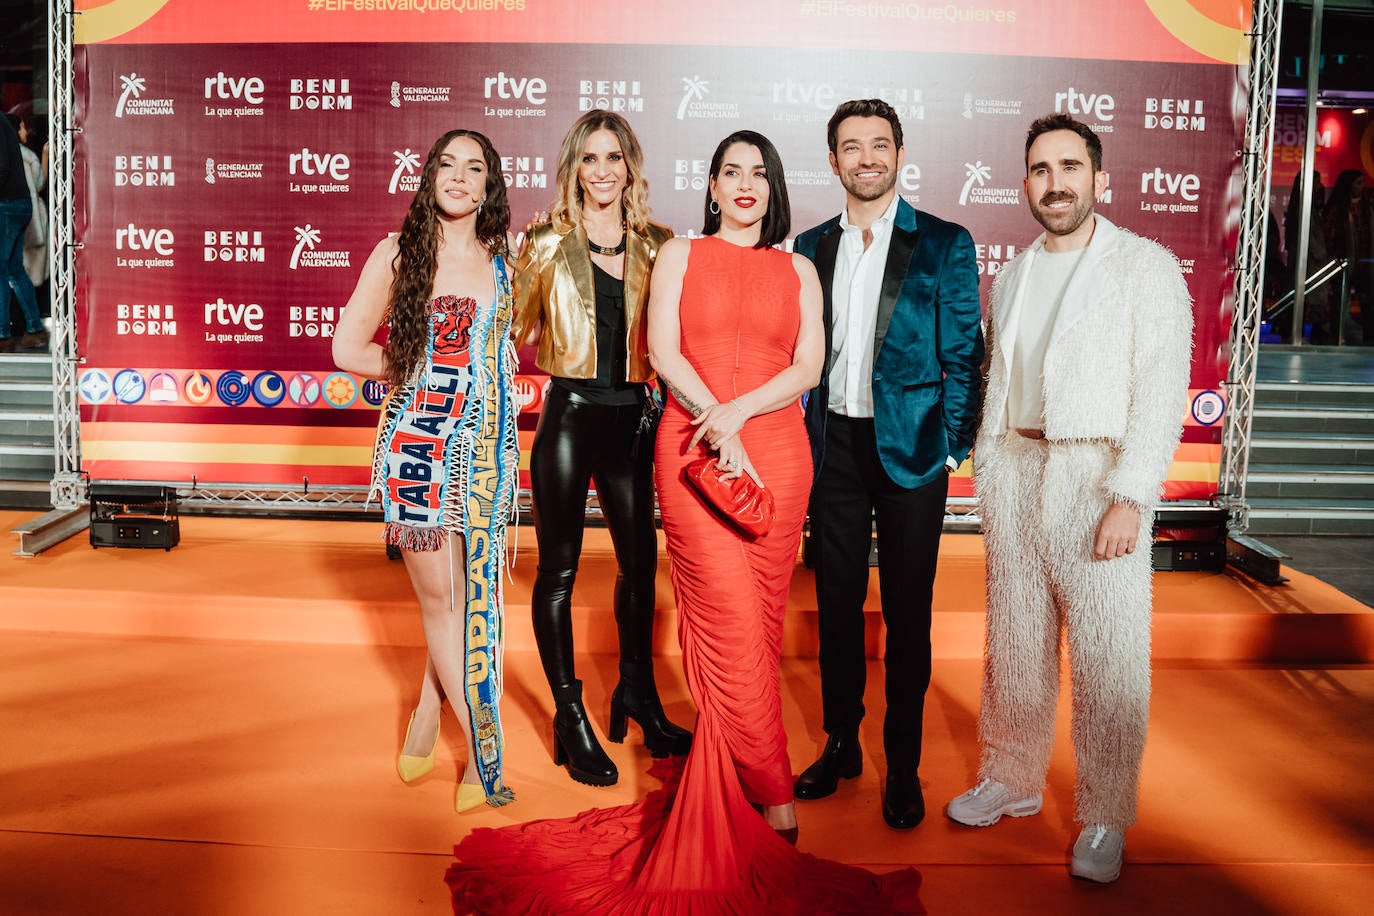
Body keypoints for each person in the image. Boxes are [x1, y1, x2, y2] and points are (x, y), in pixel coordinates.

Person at [446, 130, 920, 914]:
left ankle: (737, 766)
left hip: (774, 456)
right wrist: (715, 417)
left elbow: (808, 366)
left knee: (759, 629)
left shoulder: (800, 266)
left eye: (758, 174)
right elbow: (661, 349)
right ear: (709, 184)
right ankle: (775, 797)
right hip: (695, 455)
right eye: (731, 172)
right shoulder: (676, 255)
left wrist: (739, 414)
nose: (745, 185)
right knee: (727, 623)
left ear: (773, 189)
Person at [945, 114, 1192, 885]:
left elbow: (1158, 392)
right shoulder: (1013, 272)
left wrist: (1131, 495)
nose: (1055, 183)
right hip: (1016, 469)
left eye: (1070, 167)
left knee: (1108, 656)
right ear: (1026, 184)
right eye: (1041, 170)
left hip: (1096, 476)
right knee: (1014, 646)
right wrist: (990, 465)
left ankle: (1105, 813)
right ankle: (1011, 779)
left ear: (1099, 179)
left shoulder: (1143, 266)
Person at [791, 98, 984, 830]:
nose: (865, 157)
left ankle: (901, 764)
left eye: (879, 144)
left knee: (908, 614)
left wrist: (952, 444)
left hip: (913, 450)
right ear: (833, 159)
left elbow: (964, 352)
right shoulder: (809, 246)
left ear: (899, 153)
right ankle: (841, 742)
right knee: (835, 607)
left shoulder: (943, 242)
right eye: (851, 146)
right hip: (832, 449)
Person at [332, 129, 519, 813]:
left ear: (490, 186)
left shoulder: (506, 260)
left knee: (471, 604)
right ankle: (481, 752)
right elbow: (347, 347)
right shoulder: (399, 253)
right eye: (449, 165)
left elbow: (503, 357)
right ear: (429, 175)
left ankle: (424, 711)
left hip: (488, 453)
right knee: (441, 602)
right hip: (417, 452)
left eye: (476, 169)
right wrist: (415, 371)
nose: (461, 178)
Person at [512, 110, 690, 787]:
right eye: (590, 159)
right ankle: (567, 711)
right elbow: (510, 326)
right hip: (569, 418)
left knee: (640, 567)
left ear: (630, 167)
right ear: (573, 170)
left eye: (614, 157)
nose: (603, 170)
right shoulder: (545, 242)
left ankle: (637, 694)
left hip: (634, 423)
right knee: (557, 572)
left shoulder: (660, 244)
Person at [0, 112, 43, 353]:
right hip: (17, 204)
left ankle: (3, 334)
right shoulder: (5, 123)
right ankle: (35, 330)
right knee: (14, 270)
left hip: (5, 205)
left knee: (2, 270)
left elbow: (2, 165)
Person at [1321, 169, 1371, 344]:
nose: (1362, 186)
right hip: (1341, 262)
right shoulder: (1337, 209)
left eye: (1362, 182)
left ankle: (1368, 337)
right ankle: (1337, 335)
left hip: (1365, 262)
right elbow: (1328, 236)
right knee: (1341, 299)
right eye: (1358, 183)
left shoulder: (1367, 208)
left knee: (1367, 300)